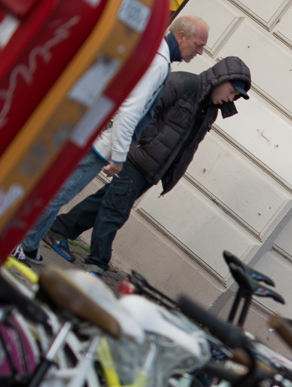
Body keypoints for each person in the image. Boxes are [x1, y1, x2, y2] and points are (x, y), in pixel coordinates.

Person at [13, 15, 210, 264]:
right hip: (99, 142)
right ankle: (15, 241)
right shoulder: (159, 64)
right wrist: (118, 156)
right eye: (198, 44)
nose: (200, 52)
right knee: (58, 193)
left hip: (92, 132)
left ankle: (28, 244)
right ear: (181, 35)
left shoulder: (154, 53)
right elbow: (130, 111)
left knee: (55, 188)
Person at [47, 55, 251, 278]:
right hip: (138, 159)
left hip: (153, 169)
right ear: (221, 80)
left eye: (236, 96)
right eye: (231, 91)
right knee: (115, 212)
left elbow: (188, 144)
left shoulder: (209, 109)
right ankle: (97, 262)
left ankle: (60, 229)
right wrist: (147, 143)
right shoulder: (182, 83)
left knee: (103, 202)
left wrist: (169, 172)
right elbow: (147, 110)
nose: (231, 98)